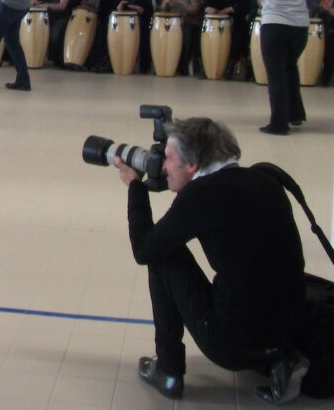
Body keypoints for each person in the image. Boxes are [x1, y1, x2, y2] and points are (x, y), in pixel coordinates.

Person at [114, 117, 308, 404]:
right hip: (291, 331)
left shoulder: (201, 194)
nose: (162, 167)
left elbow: (144, 249)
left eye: (168, 158)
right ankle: (277, 360)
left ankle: (167, 369)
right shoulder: (265, 179)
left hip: (233, 345)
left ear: (192, 165)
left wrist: (135, 187)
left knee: (163, 255)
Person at [225, 0, 326, 134]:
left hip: (274, 26)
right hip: (299, 27)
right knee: (290, 68)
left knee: (276, 74)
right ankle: (295, 114)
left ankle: (279, 123)